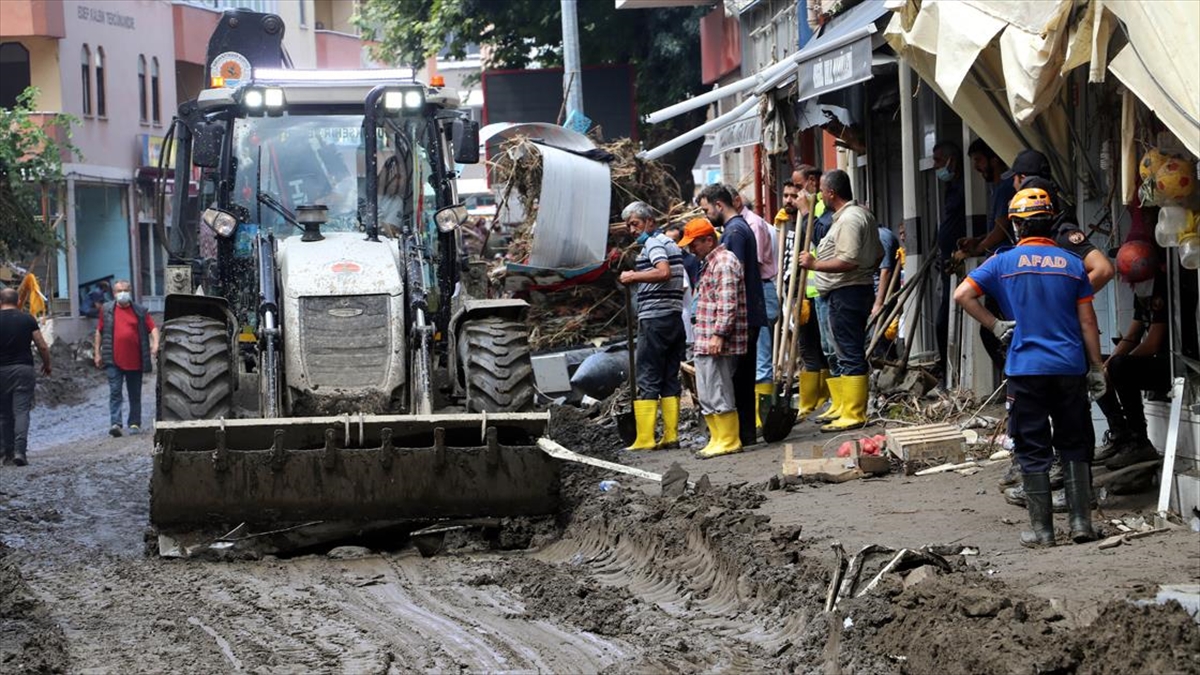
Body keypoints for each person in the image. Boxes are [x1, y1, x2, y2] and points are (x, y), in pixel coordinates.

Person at [954, 187, 1106, 548]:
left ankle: (1043, 532)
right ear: (1052, 222)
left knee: (1033, 446)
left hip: (1026, 369)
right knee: (1075, 442)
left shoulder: (1002, 262)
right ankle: (1081, 524)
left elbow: (963, 295)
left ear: (1018, 226)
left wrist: (994, 325)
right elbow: (1087, 322)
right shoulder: (1072, 264)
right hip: (1069, 367)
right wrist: (1097, 366)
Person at [798, 170, 882, 432]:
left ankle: (854, 412)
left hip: (847, 292)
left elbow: (849, 260)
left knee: (848, 351)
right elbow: (877, 254)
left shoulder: (850, 220)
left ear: (831, 192)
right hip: (851, 290)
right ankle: (846, 407)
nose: (821, 195)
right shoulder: (856, 216)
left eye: (823, 190)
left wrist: (815, 264)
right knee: (844, 350)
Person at [697, 184, 766, 447]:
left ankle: (741, 435)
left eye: (706, 209)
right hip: (747, 311)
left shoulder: (734, 232)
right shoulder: (737, 229)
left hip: (742, 314)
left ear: (718, 204)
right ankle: (742, 434)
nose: (706, 215)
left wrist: (722, 328)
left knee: (737, 379)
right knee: (741, 377)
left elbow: (732, 279)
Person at [618, 202, 687, 451]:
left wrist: (632, 276)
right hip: (672, 317)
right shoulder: (671, 244)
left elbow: (663, 272)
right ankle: (671, 436)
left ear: (649, 222)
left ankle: (645, 438)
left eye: (635, 223)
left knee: (648, 375)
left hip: (655, 319)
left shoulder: (655, 244)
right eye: (628, 225)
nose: (631, 229)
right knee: (669, 377)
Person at [1094, 245, 1170, 469]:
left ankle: (1139, 441)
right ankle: (1120, 433)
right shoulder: (1142, 290)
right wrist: (1105, 366)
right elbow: (1133, 334)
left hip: (1173, 364)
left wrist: (1116, 366)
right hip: (1153, 359)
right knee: (1094, 366)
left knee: (1120, 367)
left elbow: (1153, 342)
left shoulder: (1162, 289)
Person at [678, 218, 747, 459]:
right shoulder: (711, 262)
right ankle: (718, 438)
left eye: (694, 244)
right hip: (706, 338)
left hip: (715, 338)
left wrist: (719, 334)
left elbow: (727, 303)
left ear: (709, 240)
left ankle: (728, 439)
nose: (691, 250)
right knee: (708, 390)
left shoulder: (725, 262)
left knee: (719, 389)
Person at [779, 181, 829, 417]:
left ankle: (823, 399)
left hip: (814, 291)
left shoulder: (814, 214)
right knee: (807, 348)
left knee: (820, 348)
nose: (789, 200)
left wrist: (801, 294)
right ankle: (809, 402)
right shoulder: (785, 223)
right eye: (786, 195)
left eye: (793, 194)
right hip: (798, 293)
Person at [730, 190, 779, 429]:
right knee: (757, 354)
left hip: (760, 289)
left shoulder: (752, 225)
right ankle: (759, 414)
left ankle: (763, 414)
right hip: (758, 289)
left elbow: (753, 263)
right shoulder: (746, 224)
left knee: (761, 354)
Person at [93, 280, 159, 437]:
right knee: (115, 392)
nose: (122, 293)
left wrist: (156, 344)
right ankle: (115, 423)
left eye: (125, 290)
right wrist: (97, 352)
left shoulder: (140, 311)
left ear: (130, 292)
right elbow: (99, 331)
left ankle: (134, 423)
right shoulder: (107, 310)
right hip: (113, 360)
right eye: (118, 290)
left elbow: (153, 328)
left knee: (134, 393)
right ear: (114, 293)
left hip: (135, 361)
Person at [0, 288, 52, 466]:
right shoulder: (27, 319)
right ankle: (20, 452)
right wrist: (47, 364)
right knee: (21, 411)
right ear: (18, 301)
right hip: (23, 369)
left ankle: (7, 454)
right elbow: (42, 345)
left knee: (4, 414)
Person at [932, 141, 967, 375]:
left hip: (959, 262)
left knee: (946, 320)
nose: (935, 167)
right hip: (946, 261)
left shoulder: (965, 188)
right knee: (943, 319)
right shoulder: (951, 188)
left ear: (951, 161)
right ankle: (946, 368)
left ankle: (951, 370)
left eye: (937, 161)